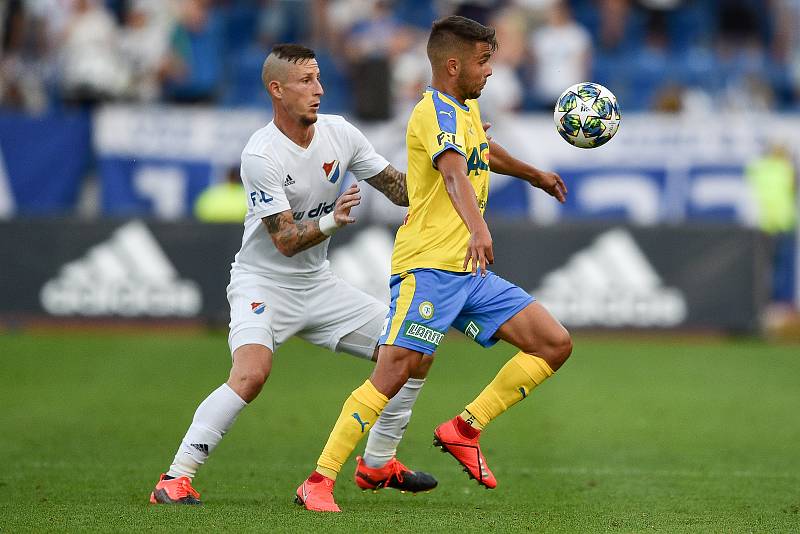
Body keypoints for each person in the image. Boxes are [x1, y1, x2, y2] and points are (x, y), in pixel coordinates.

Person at [295, 16, 572, 513]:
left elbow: (481, 152)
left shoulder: (465, 110)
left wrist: (533, 175)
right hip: (429, 268)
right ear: (452, 64)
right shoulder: (434, 112)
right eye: (483, 62)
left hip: (468, 272)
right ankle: (318, 480)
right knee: (393, 372)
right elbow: (452, 172)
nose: (490, 71)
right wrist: (478, 228)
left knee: (553, 343)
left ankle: (465, 428)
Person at [149, 43, 437, 505]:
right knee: (251, 374)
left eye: (319, 79)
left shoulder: (340, 133)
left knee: (413, 349)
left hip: (317, 284)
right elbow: (283, 240)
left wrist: (448, 160)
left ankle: (379, 464)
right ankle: (174, 478)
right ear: (277, 90)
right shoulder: (261, 155)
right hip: (263, 283)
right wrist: (331, 221)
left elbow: (401, 191)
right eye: (306, 81)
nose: (318, 90)